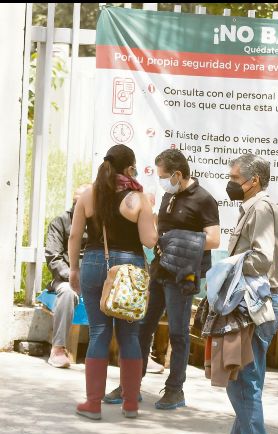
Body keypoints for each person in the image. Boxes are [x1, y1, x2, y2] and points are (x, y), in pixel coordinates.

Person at [103, 149, 220, 410]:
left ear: (178, 174)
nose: (161, 181)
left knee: (179, 334)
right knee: (142, 327)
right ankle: (130, 384)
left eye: (164, 176)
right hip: (159, 270)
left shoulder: (204, 200)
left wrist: (179, 241)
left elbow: (213, 239)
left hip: (183, 275)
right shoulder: (169, 195)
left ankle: (175, 390)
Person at [68, 144, 158, 420]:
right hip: (129, 268)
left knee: (98, 332)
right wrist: (153, 217)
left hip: (96, 263)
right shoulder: (138, 198)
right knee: (129, 335)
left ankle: (93, 404)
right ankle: (130, 403)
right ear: (130, 168)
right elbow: (149, 241)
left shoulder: (88, 194)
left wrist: (73, 270)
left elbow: (74, 237)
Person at [220, 154, 278, 434]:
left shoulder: (260, 208)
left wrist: (226, 269)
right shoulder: (254, 208)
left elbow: (260, 258)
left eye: (234, 178)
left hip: (256, 300)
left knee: (245, 378)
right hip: (254, 300)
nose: (230, 183)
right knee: (241, 376)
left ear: (253, 180)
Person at [45, 184, 90, 368]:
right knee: (67, 292)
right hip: (65, 279)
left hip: (95, 278)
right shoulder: (60, 222)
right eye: (75, 202)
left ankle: (136, 353)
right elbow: (53, 257)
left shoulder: (100, 225)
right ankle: (58, 349)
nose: (77, 206)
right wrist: (72, 276)